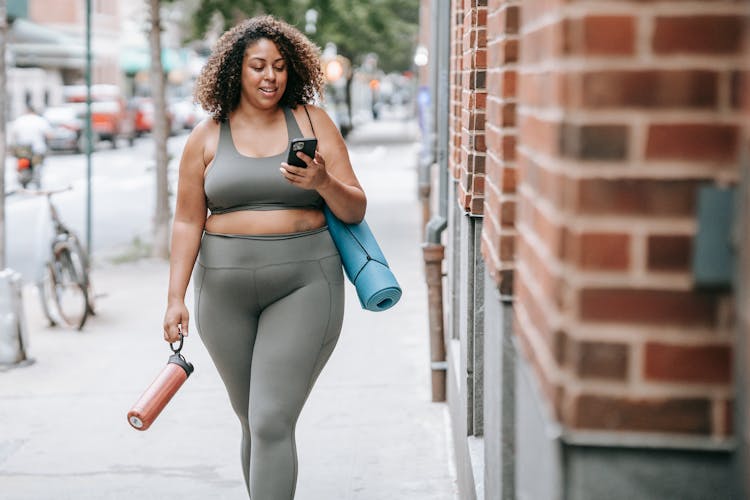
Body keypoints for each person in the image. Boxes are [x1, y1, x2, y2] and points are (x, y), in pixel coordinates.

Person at [162, 15, 366, 499]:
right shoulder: (206, 136)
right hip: (223, 293)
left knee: (272, 419)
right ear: (236, 71)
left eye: (278, 66)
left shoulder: (312, 122)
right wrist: (174, 299)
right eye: (257, 66)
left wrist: (322, 182)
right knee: (252, 420)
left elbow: (355, 207)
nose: (270, 76)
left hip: (304, 284)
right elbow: (188, 221)